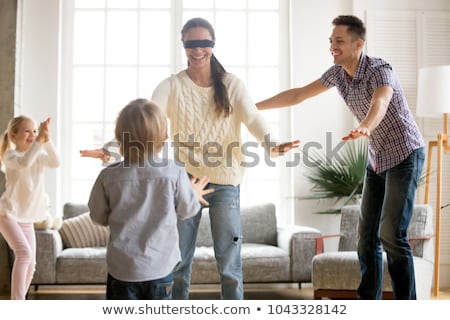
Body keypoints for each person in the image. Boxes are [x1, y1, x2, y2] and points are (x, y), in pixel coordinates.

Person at [81, 17, 299, 300]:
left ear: (213, 44)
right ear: (183, 45)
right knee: (179, 260)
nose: (197, 51)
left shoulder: (232, 85)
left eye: (203, 44)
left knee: (229, 263)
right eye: (191, 44)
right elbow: (146, 118)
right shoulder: (171, 86)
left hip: (225, 182)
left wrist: (272, 144)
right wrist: (112, 149)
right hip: (184, 179)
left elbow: (253, 117)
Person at [256, 15, 425, 300]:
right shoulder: (337, 73)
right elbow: (298, 95)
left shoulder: (379, 69)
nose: (333, 46)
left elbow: (380, 102)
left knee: (392, 235)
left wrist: (365, 127)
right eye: (331, 41)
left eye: (339, 41)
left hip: (405, 153)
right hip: (378, 158)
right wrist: (252, 108)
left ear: (359, 44)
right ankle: (366, 303)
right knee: (366, 236)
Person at [88, 98, 213, 300]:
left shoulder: (108, 177)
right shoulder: (174, 171)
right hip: (160, 269)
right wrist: (194, 194)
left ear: (119, 137)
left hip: (122, 271)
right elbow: (187, 210)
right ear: (163, 136)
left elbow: (98, 216)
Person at [0, 115, 60, 300]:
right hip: (7, 214)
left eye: (35, 131)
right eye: (27, 131)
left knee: (31, 264)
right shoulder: (11, 156)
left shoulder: (39, 156)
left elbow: (57, 162)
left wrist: (47, 140)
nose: (32, 134)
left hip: (26, 218)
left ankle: (18, 302)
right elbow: (25, 162)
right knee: (23, 253)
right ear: (13, 136)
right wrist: (39, 142)